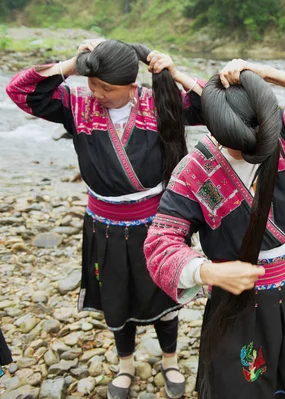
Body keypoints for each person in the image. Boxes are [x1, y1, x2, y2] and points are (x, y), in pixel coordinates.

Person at [6, 39, 204, 399]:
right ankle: (125, 364)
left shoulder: (160, 103)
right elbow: (18, 90)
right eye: (92, 83)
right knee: (117, 295)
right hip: (105, 226)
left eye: (107, 88)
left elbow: (220, 107)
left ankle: (170, 360)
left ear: (132, 86)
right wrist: (72, 64)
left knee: (164, 295)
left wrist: (175, 73)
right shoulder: (77, 104)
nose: (96, 93)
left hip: (155, 226)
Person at [144, 58, 285, 399]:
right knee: (239, 385)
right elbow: (160, 243)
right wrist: (205, 271)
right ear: (215, 128)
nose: (252, 150)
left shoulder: (281, 134)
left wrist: (265, 74)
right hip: (238, 302)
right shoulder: (194, 172)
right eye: (239, 146)